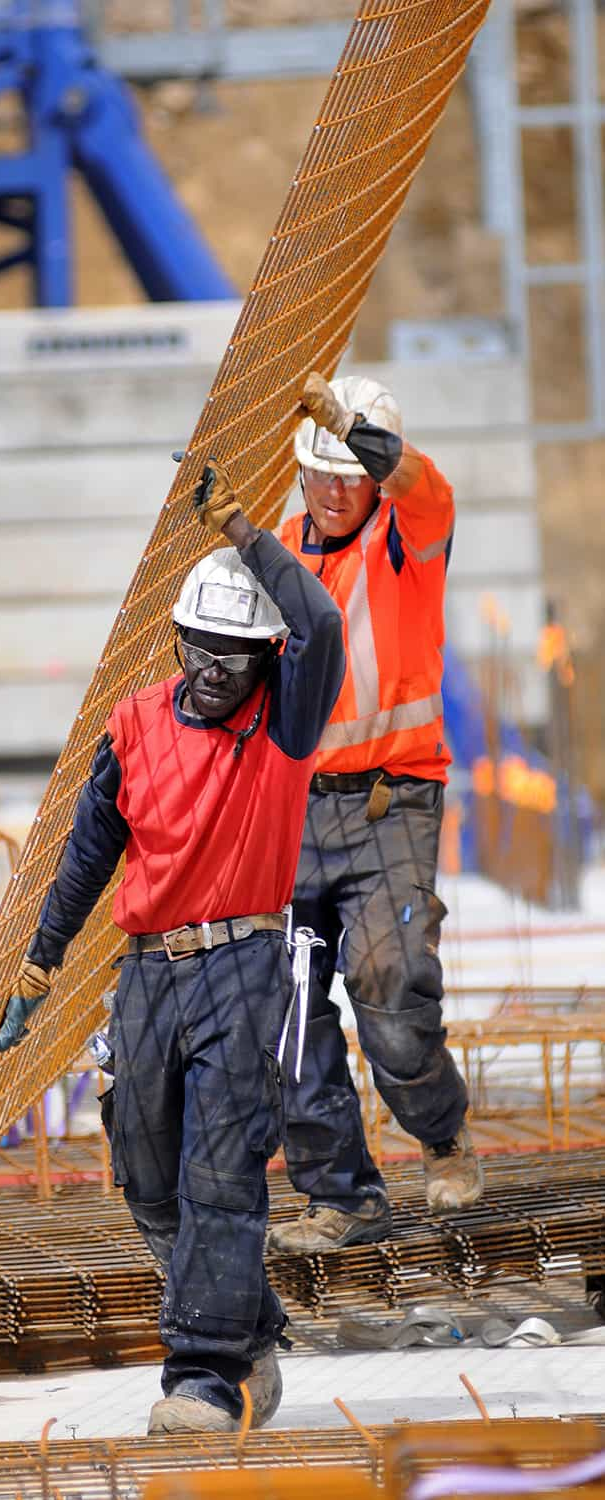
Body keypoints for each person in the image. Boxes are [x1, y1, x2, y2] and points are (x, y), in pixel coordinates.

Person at [0, 459, 344, 1435]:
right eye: (203, 647)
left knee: (220, 1171)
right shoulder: (137, 722)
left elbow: (322, 624)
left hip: (244, 968)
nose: (218, 667)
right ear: (178, 641)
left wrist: (242, 532)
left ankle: (200, 1377)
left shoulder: (285, 718)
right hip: (147, 970)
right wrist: (40, 958)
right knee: (146, 1171)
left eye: (240, 651)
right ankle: (248, 1326)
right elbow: (91, 845)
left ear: (267, 658)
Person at [268, 371, 483, 1256]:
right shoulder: (278, 548)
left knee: (389, 988)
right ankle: (342, 1194)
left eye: (347, 473)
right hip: (291, 816)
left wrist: (360, 438)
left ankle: (442, 1137)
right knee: (284, 1010)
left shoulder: (411, 532)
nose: (330, 491)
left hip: (392, 802)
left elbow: (416, 481)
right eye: (317, 473)